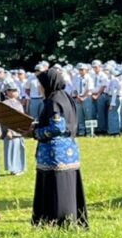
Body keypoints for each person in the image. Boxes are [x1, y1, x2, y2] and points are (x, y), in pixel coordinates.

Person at [32, 68, 88, 228]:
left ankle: (57, 221)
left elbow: (57, 127)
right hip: (69, 151)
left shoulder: (54, 101)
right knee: (67, 187)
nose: (39, 88)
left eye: (40, 85)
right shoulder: (65, 97)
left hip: (55, 154)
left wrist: (35, 132)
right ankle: (70, 220)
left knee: (56, 188)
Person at [2, 82, 26, 175]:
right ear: (7, 92)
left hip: (20, 130)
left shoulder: (18, 103)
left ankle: (21, 167)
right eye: (12, 90)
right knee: (12, 149)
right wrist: (8, 130)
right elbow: (5, 119)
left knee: (20, 148)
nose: (14, 93)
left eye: (15, 90)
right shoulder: (5, 103)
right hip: (11, 131)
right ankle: (13, 168)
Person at [72, 64, 95, 136]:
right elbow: (75, 89)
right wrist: (78, 97)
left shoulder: (89, 78)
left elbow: (89, 89)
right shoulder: (77, 78)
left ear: (86, 70)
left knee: (88, 115)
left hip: (87, 98)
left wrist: (83, 98)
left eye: (82, 70)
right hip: (78, 98)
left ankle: (89, 132)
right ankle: (81, 131)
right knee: (80, 116)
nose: (80, 71)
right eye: (79, 70)